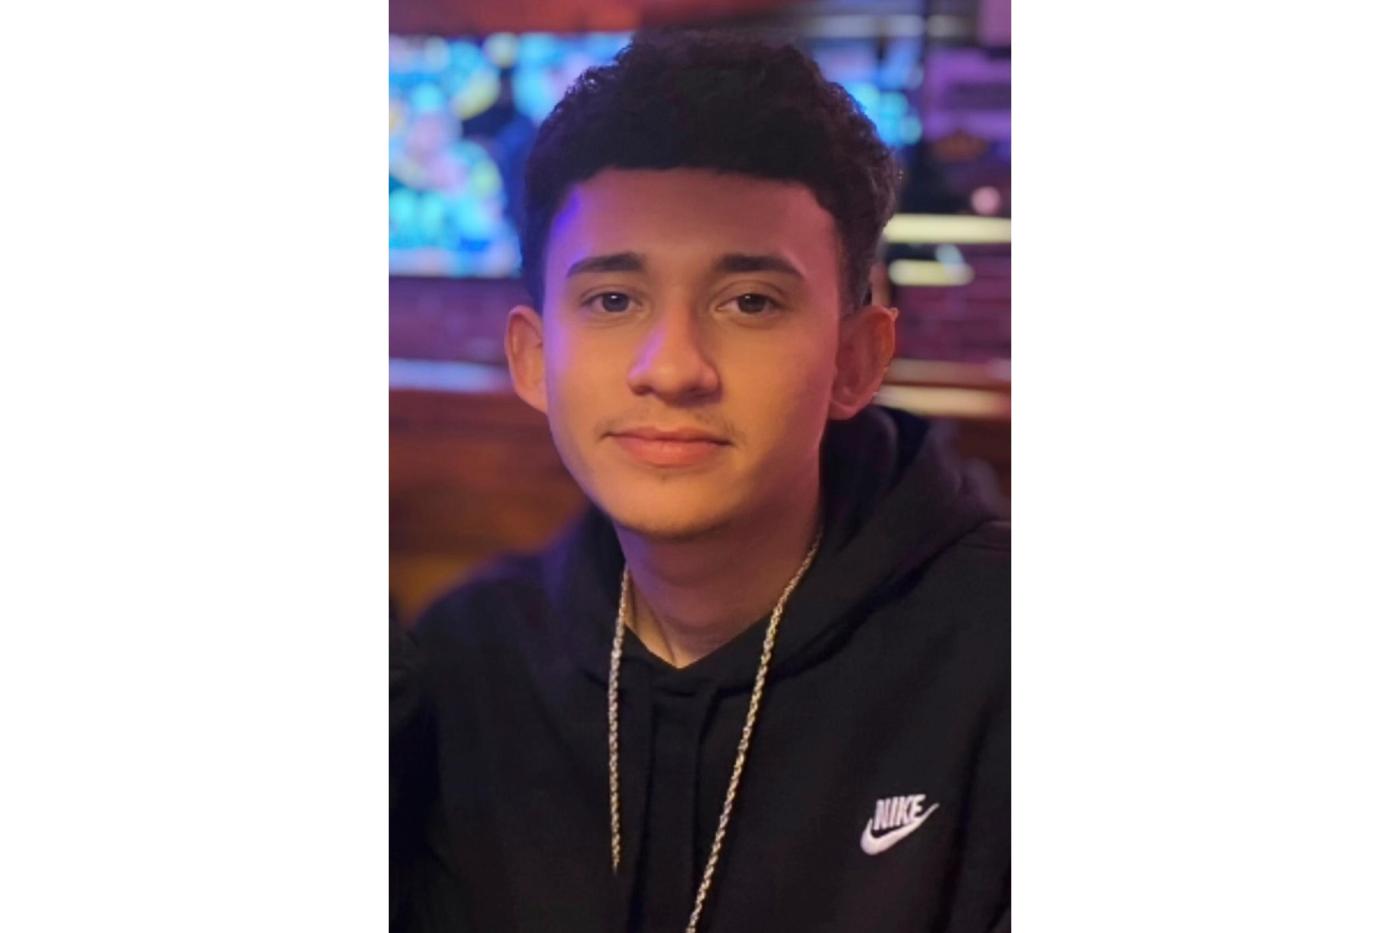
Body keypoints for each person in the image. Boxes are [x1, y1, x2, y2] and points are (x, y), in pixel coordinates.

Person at [391, 30, 1009, 933]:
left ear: (855, 358)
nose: (672, 367)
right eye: (613, 300)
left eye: (750, 301)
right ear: (533, 357)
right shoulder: (468, 662)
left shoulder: (999, 659)